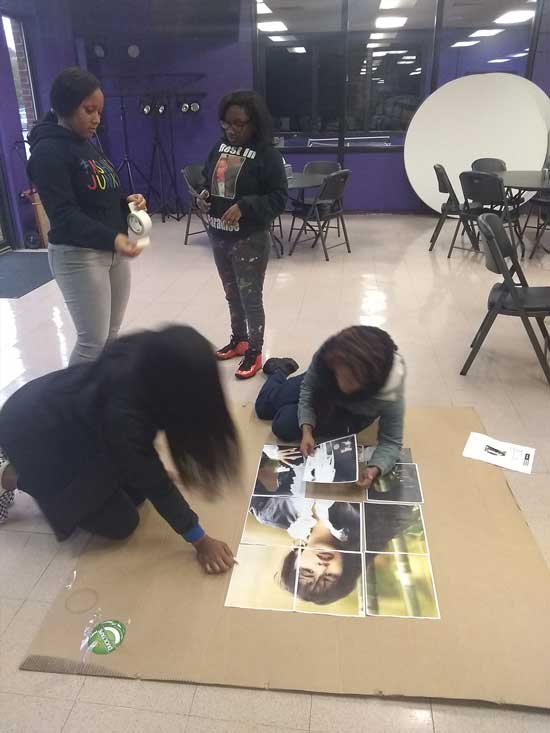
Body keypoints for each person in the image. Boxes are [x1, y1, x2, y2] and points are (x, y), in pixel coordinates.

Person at [0, 326, 240, 574]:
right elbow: (152, 479)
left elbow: (138, 453)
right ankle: (10, 476)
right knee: (122, 523)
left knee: (136, 492)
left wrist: (142, 466)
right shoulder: (123, 411)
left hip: (58, 415)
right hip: (32, 434)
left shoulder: (147, 363)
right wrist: (200, 540)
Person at [27, 67, 148, 365]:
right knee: (91, 342)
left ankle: (100, 397)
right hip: (78, 254)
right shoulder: (47, 152)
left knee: (110, 335)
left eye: (99, 111)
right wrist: (114, 238)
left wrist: (125, 203)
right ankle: (76, 407)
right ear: (65, 107)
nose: (96, 118)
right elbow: (64, 214)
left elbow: (95, 195)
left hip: (111, 250)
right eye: (88, 110)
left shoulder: (86, 144)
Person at [197, 90, 288, 379]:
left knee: (251, 298)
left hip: (250, 238)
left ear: (254, 123)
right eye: (227, 123)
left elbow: (279, 198)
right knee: (230, 294)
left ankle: (255, 350)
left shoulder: (267, 154)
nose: (232, 130)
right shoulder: (218, 148)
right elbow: (208, 180)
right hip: (219, 233)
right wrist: (202, 196)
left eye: (239, 123)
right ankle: (239, 340)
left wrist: (246, 206)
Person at [255, 326, 406, 489]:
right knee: (264, 408)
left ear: (368, 381)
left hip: (352, 414)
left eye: (349, 379)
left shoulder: (389, 392)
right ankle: (279, 370)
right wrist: (307, 429)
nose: (342, 382)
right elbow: (308, 388)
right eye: (338, 373)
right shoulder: (329, 356)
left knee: (283, 425)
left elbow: (391, 442)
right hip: (319, 387)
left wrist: (375, 468)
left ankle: (289, 390)